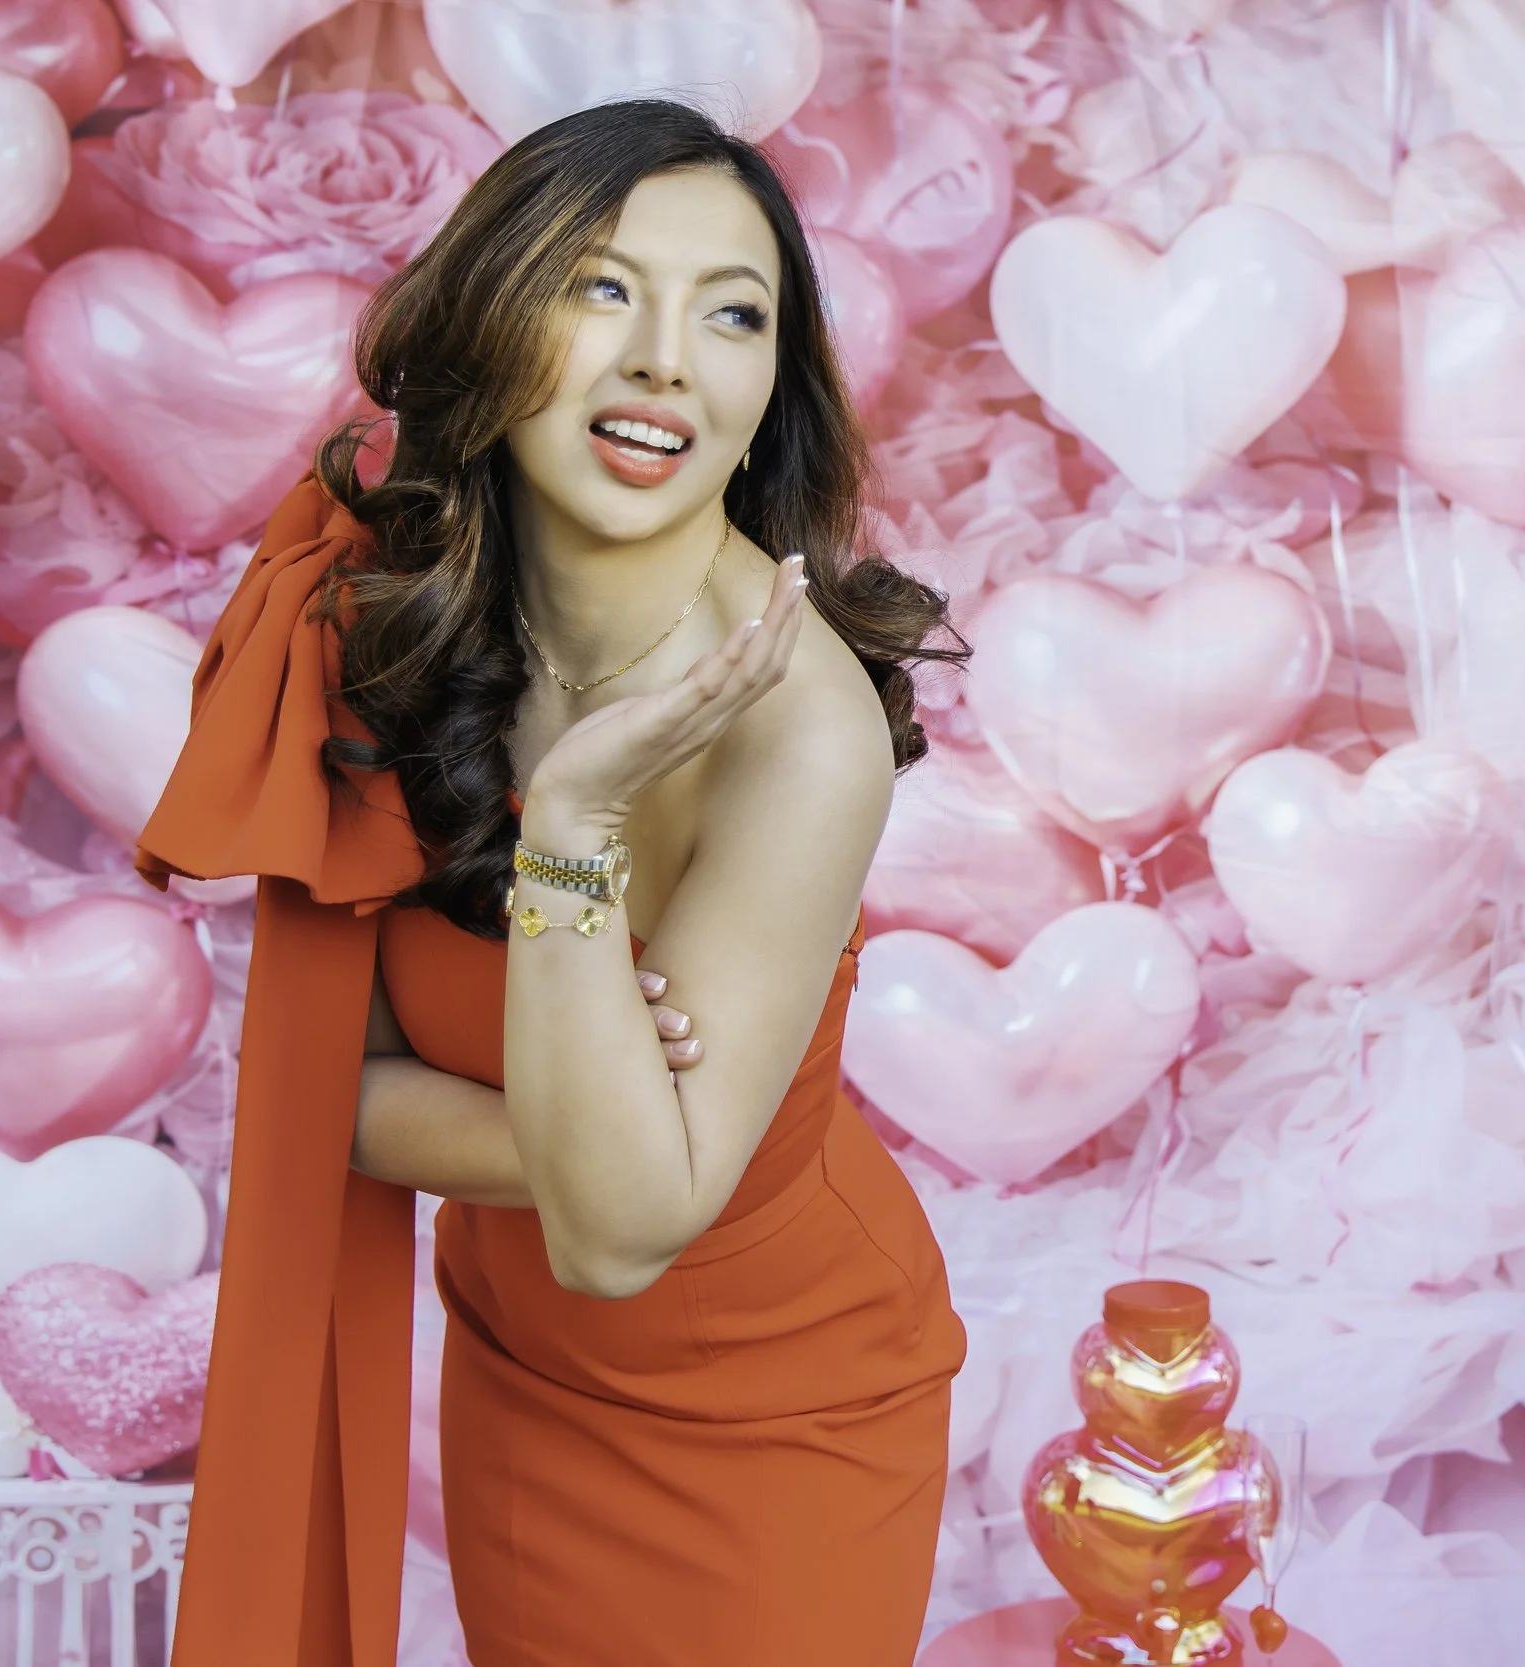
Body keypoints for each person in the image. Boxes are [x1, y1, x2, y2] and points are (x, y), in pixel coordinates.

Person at [137, 98, 969, 1666]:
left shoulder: (803, 733)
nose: (666, 357)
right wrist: (587, 1125)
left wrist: (574, 821)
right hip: (526, 1364)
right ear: (491, 316)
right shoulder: (379, 622)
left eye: (734, 315)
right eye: (604, 288)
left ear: (764, 393)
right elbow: (316, 1086)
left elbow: (626, 1229)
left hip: (781, 1396)